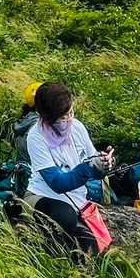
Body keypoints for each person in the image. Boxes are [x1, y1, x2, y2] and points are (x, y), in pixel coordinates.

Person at [23, 81, 114, 256]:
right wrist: (87, 169)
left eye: (70, 112)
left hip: (77, 199)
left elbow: (92, 161)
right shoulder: (35, 137)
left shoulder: (77, 127)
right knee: (65, 217)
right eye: (63, 117)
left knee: (92, 251)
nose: (68, 119)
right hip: (42, 195)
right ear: (47, 118)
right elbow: (57, 183)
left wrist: (104, 163)